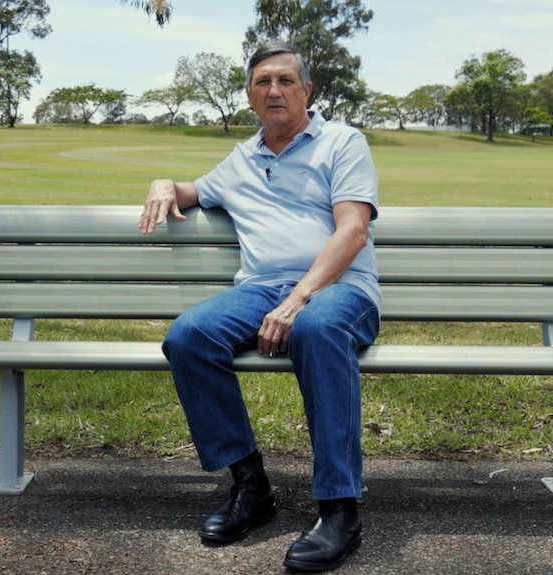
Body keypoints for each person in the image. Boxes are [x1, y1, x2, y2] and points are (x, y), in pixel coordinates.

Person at [138, 41, 381, 573]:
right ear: (250, 95)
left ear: (307, 91)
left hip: (341, 290)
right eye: (262, 82)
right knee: (189, 337)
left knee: (316, 328)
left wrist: (298, 299)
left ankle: (340, 509)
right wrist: (163, 183)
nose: (273, 90)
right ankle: (251, 488)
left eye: (286, 80)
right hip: (259, 290)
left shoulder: (342, 142)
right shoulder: (242, 158)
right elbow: (192, 190)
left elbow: (353, 231)